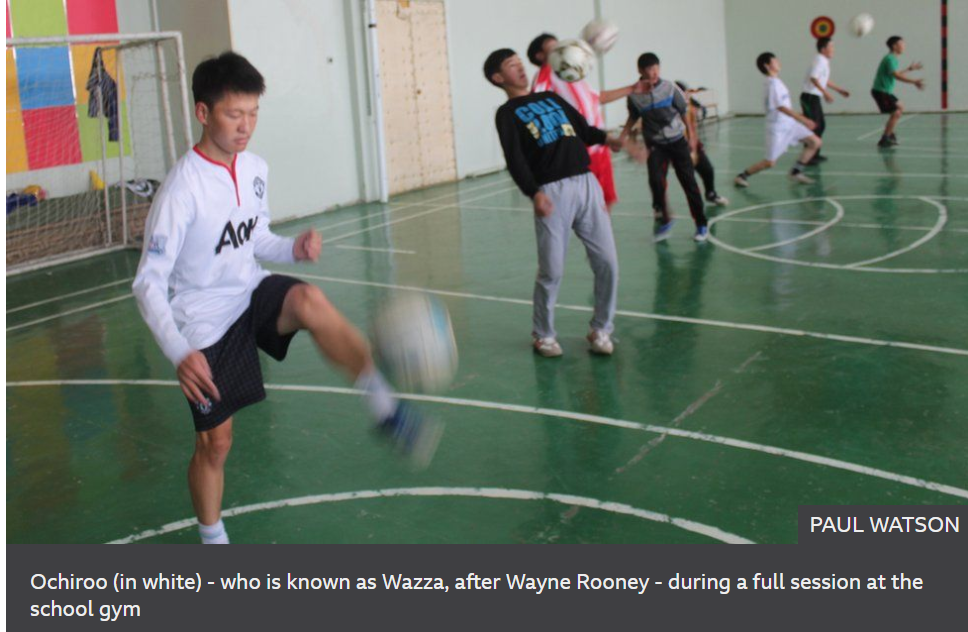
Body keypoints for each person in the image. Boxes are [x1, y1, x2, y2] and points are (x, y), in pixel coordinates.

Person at [132, 52, 439, 545]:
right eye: (235, 114)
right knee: (216, 444)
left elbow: (255, 238)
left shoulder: (254, 167)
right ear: (204, 113)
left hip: (250, 289)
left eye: (254, 113)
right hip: (204, 319)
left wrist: (291, 250)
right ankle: (214, 542)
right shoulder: (180, 191)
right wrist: (178, 349)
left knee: (310, 301)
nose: (246, 125)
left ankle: (385, 407)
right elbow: (148, 281)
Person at [484, 48, 621, 357]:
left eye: (520, 62)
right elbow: (515, 159)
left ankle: (601, 329)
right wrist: (534, 193)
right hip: (551, 192)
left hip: (587, 184)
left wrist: (607, 138)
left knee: (608, 262)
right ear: (498, 77)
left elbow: (583, 131)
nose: (520, 68)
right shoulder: (507, 114)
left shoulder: (552, 98)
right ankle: (543, 334)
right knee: (552, 270)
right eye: (511, 65)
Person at [528, 33, 637, 211]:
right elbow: (536, 105)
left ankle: (604, 238)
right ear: (540, 56)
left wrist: (632, 88)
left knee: (606, 201)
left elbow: (598, 97)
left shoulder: (573, 76)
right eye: (552, 46)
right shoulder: (544, 77)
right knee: (589, 207)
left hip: (600, 148)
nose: (560, 47)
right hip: (581, 151)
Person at [619, 53, 709, 242]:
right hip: (655, 145)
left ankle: (701, 224)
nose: (653, 73)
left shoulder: (669, 88)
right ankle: (666, 220)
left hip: (677, 141)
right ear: (640, 71)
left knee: (689, 183)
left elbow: (684, 112)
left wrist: (692, 136)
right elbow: (633, 116)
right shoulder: (634, 95)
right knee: (656, 182)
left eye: (656, 68)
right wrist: (623, 135)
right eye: (649, 69)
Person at [734, 52, 821, 189]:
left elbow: (784, 106)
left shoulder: (777, 81)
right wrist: (803, 119)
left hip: (790, 124)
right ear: (767, 66)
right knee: (769, 162)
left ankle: (795, 172)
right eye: (775, 61)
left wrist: (798, 116)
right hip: (777, 128)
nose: (779, 62)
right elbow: (781, 107)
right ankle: (742, 176)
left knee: (815, 142)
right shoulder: (771, 84)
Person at [799, 37, 850, 163]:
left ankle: (814, 154)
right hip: (809, 97)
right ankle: (808, 156)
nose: (833, 49)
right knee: (815, 126)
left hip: (814, 97)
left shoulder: (823, 60)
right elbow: (814, 79)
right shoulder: (820, 60)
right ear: (823, 49)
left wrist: (839, 90)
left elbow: (823, 80)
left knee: (820, 126)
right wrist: (826, 93)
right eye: (831, 47)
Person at [871, 35, 924, 148]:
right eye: (902, 44)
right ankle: (885, 138)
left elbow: (896, 74)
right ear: (894, 46)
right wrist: (914, 81)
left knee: (900, 106)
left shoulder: (892, 59)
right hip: (881, 91)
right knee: (896, 112)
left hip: (886, 92)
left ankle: (889, 134)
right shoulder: (890, 59)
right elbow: (897, 76)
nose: (904, 46)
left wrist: (909, 69)